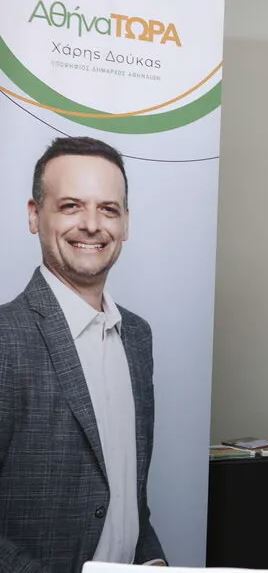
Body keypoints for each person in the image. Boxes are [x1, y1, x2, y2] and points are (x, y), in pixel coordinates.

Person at [0, 137, 166, 571]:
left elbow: (129, 497)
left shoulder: (138, 339)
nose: (92, 225)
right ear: (34, 215)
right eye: (71, 206)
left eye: (108, 209)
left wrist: (152, 560)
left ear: (126, 223)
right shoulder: (5, 339)